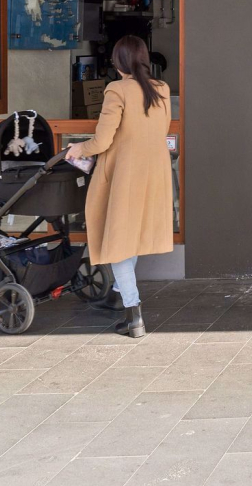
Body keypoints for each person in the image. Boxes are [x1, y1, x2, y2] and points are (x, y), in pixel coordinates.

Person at [66, 35, 173, 338]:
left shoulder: (117, 90)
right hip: (155, 174)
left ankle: (133, 315)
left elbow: (102, 140)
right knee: (131, 236)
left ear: (118, 62)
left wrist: (78, 148)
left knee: (117, 243)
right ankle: (116, 292)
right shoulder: (161, 88)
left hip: (125, 176)